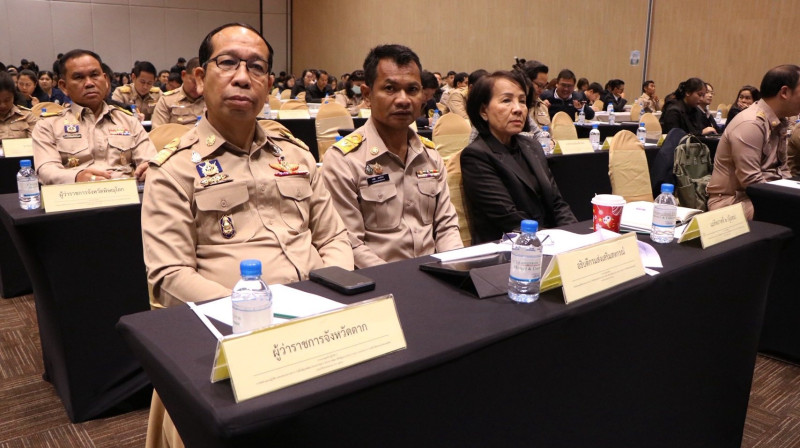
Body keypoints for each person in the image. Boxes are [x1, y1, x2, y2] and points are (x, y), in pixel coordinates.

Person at [141, 24, 353, 446]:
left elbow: (333, 238)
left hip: (320, 322)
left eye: (256, 67)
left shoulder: (295, 153)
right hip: (232, 337)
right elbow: (168, 275)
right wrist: (254, 315)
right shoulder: (175, 168)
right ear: (200, 77)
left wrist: (328, 293)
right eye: (227, 63)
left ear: (268, 84)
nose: (242, 77)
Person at [322, 44, 462, 268]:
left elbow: (447, 228)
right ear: (367, 95)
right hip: (379, 279)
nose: (403, 99)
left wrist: (455, 270)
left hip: (436, 275)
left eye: (412, 89)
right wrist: (401, 281)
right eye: (390, 89)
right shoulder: (344, 160)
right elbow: (350, 244)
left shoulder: (430, 155)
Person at [460, 70, 576, 244]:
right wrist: (558, 240)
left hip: (548, 240)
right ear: (484, 110)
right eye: (506, 100)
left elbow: (557, 203)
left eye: (522, 101)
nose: (518, 109)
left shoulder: (532, 145)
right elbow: (509, 218)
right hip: (507, 248)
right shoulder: (476, 155)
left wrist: (574, 236)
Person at [32, 49, 155, 185]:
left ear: (105, 80)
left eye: (94, 75)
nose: (89, 83)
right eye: (79, 77)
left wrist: (149, 167)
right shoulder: (48, 125)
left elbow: (149, 159)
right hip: (76, 193)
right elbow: (46, 170)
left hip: (126, 192)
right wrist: (76, 177)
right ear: (64, 86)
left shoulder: (129, 121)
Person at [707, 65, 800, 219]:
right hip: (732, 203)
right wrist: (788, 200)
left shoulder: (779, 122)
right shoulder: (750, 124)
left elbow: (783, 170)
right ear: (784, 92)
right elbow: (751, 182)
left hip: (763, 195)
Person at [151, 57, 205, 128]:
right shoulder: (166, 100)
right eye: (194, 81)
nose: (198, 87)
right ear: (183, 75)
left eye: (203, 82)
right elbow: (158, 131)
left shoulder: (213, 100)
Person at [0, 72, 38, 139]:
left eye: (7, 100)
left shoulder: (27, 116)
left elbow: (35, 141)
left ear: (13, 96)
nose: (3, 105)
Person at [516, 59, 551, 127]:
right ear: (526, 81)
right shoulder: (516, 107)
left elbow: (549, 132)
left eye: (544, 87)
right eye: (539, 85)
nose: (541, 91)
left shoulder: (542, 106)